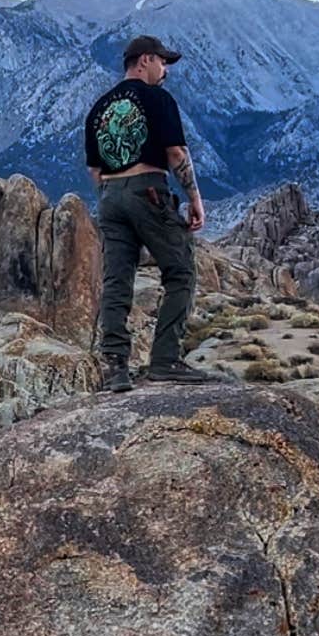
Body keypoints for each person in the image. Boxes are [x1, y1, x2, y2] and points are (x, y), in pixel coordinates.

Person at [84, 33, 218, 389]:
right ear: (144, 60)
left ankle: (114, 367)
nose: (166, 71)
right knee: (181, 270)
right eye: (162, 62)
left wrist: (113, 195)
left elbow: (93, 169)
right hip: (148, 190)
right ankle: (165, 360)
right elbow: (176, 153)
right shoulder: (157, 98)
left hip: (109, 195)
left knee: (117, 279)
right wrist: (195, 199)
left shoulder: (99, 108)